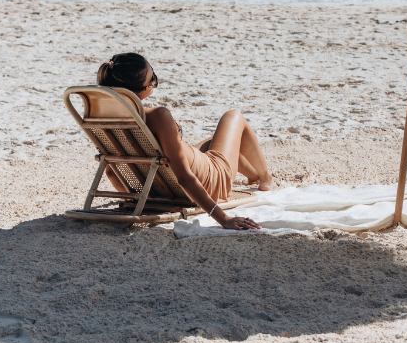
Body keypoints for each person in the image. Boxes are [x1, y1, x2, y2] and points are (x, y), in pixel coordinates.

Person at [97, 52, 276, 231]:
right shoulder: (158, 116)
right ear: (139, 88)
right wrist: (224, 219)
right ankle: (266, 179)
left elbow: (111, 172)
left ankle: (253, 175)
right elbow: (183, 177)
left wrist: (142, 201)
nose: (154, 83)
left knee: (211, 143)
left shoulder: (106, 118)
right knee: (234, 115)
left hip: (162, 188)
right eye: (153, 79)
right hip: (208, 182)